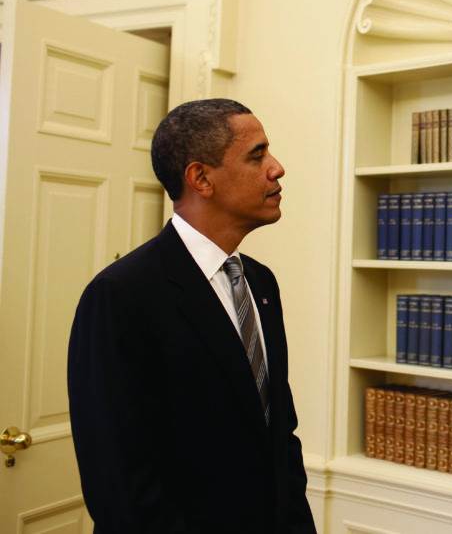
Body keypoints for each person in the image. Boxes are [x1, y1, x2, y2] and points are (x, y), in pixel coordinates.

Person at [68, 99, 316, 533]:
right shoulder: (120, 296)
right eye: (257, 155)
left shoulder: (260, 284)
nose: (276, 169)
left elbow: (280, 435)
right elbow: (119, 484)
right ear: (200, 178)